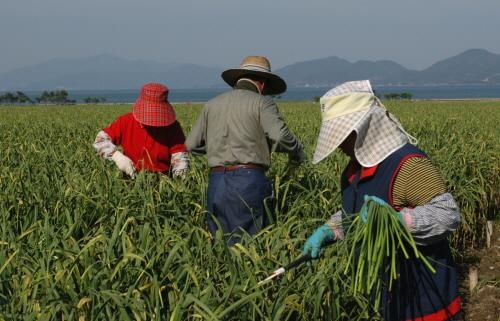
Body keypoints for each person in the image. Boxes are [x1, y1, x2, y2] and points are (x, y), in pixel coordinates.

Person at [302, 80, 462, 320]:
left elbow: (448, 214)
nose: (339, 146)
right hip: (386, 300)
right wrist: (332, 229)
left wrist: (398, 221)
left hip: (424, 303)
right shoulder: (353, 171)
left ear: (365, 128)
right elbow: (358, 216)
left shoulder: (408, 165)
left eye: (344, 135)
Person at [186, 55, 306, 241]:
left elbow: (191, 145)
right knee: (251, 243)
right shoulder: (262, 102)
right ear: (263, 83)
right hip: (248, 181)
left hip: (216, 181)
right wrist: (297, 150)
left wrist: (217, 148)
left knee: (219, 243)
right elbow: (280, 136)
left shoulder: (212, 104)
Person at [93, 82, 189, 178]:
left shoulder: (173, 127)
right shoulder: (126, 121)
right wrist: (117, 156)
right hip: (131, 176)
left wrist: (180, 179)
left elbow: (179, 156)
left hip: (163, 179)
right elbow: (100, 140)